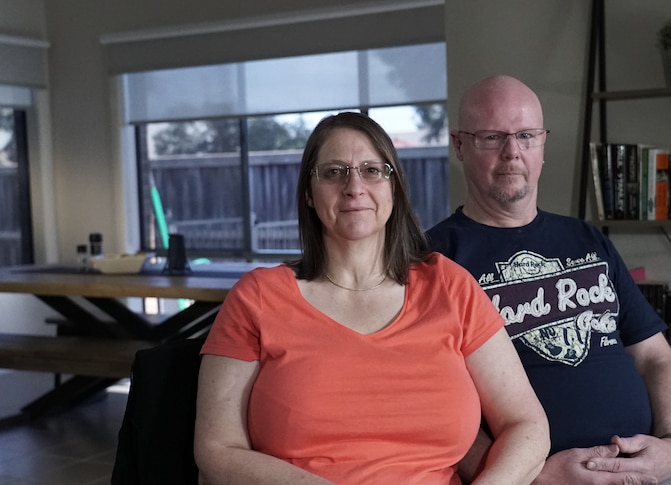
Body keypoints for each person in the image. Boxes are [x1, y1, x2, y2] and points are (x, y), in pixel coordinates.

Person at [194, 112, 549, 485]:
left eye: (372, 170)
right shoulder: (257, 297)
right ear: (308, 195)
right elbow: (217, 449)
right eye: (333, 172)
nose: (354, 187)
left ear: (393, 187)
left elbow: (526, 423)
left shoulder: (448, 286)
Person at [427, 75, 671, 485]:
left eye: (526, 135)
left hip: (651, 468)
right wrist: (532, 475)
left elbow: (656, 358)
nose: (512, 152)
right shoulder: (432, 260)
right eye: (491, 137)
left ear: (543, 145)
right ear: (460, 145)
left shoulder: (587, 238)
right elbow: (432, 402)